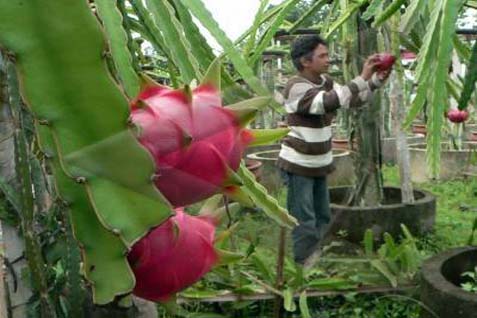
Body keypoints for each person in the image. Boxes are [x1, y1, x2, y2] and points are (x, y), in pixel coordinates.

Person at [277, 35, 390, 265]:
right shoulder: (295, 87)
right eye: (323, 56)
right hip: (299, 165)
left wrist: (376, 81)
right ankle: (303, 264)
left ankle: (316, 255)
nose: (329, 60)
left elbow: (351, 100)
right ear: (305, 61)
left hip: (319, 162)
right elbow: (326, 102)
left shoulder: (326, 81)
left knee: (322, 214)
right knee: (303, 217)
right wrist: (362, 77)